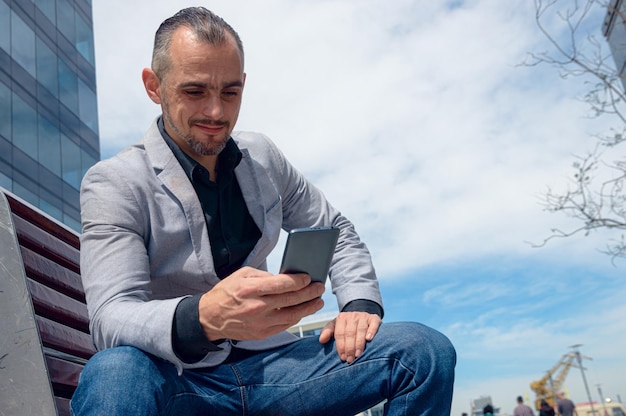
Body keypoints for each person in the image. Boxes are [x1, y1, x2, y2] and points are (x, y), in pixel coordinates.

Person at [69, 6, 456, 416]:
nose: (217, 113)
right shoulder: (115, 183)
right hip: (181, 382)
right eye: (195, 91)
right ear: (154, 86)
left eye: (230, 92)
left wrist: (358, 305)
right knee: (114, 371)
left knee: (423, 352)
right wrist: (204, 318)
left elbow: (335, 228)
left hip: (277, 371)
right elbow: (111, 317)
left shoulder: (264, 159)